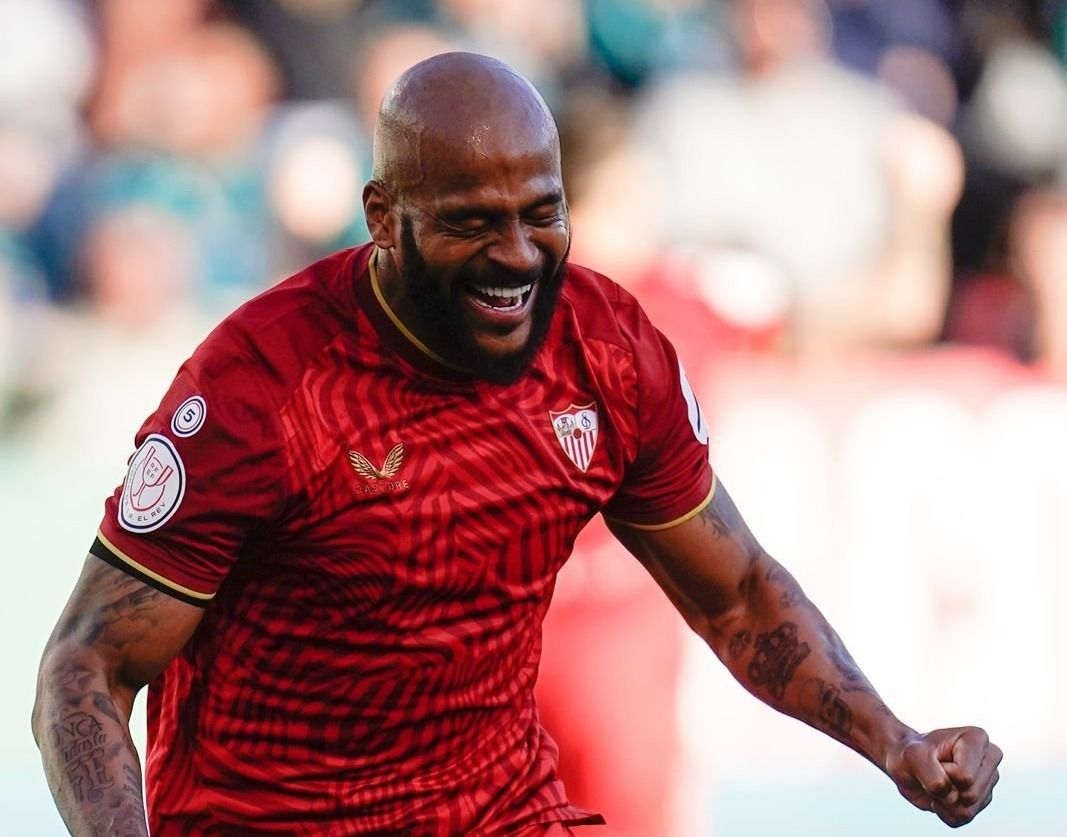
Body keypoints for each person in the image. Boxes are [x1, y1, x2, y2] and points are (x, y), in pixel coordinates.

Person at [32, 53, 1001, 836]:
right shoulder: (263, 387)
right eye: (470, 224)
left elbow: (738, 593)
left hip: (503, 814)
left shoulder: (608, 352)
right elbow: (84, 668)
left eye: (541, 213)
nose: (516, 255)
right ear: (381, 219)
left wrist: (897, 745)